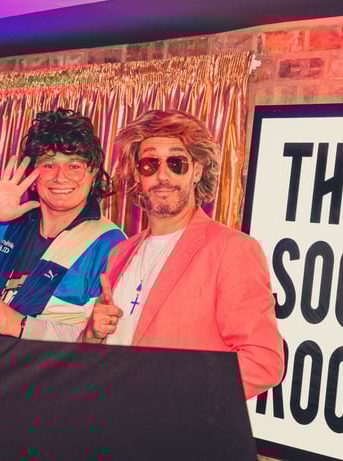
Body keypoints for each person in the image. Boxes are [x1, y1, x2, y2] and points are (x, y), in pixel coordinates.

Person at [82, 110, 284, 399]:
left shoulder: (231, 249)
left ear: (197, 170)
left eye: (176, 163)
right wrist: (92, 336)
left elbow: (262, 363)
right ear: (138, 174)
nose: (163, 175)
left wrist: (170, 389)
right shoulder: (120, 253)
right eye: (150, 164)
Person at [0, 109, 125, 342]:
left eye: (74, 166)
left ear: (93, 174)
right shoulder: (8, 226)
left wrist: (18, 324)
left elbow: (106, 338)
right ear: (33, 175)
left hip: (53, 366)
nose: (60, 177)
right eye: (49, 165)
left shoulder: (110, 242)